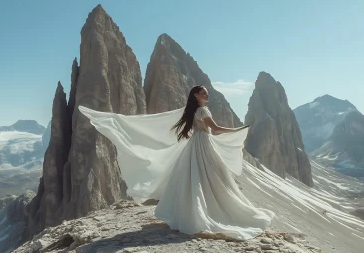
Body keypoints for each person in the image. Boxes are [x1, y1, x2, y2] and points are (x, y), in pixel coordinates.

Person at [79, 85, 274, 240]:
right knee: (213, 177)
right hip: (204, 144)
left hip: (195, 145)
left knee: (197, 178)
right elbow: (215, 129)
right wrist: (238, 130)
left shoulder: (192, 111)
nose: (207, 94)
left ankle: (193, 212)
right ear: (196, 95)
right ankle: (211, 212)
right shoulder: (203, 110)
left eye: (206, 92)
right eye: (204, 92)